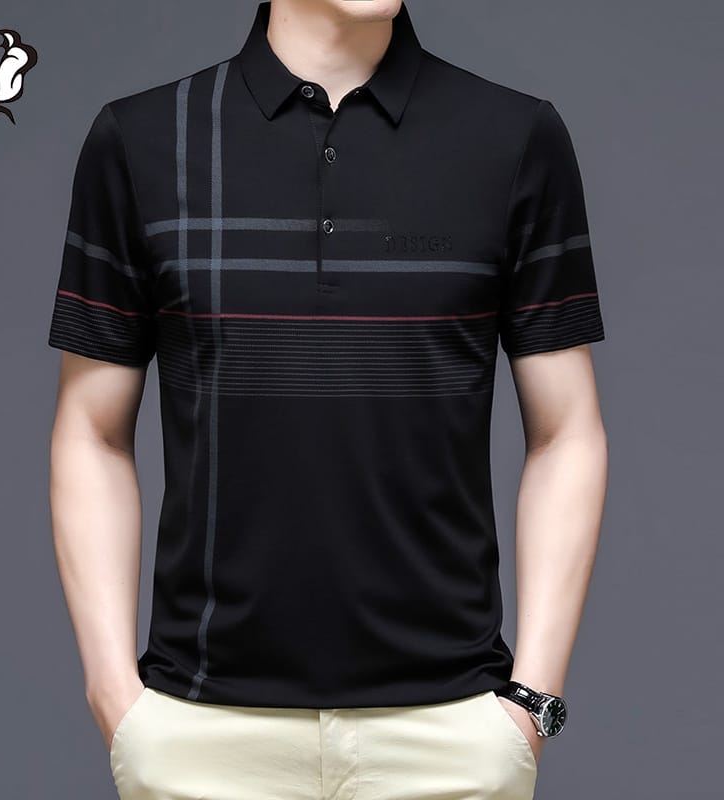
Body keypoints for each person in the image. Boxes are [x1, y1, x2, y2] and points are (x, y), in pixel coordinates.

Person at [47, 1, 608, 798]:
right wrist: (114, 694)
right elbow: (91, 432)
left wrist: (531, 702)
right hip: (200, 738)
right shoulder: (141, 140)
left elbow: (567, 431)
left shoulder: (515, 137)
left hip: (451, 738)